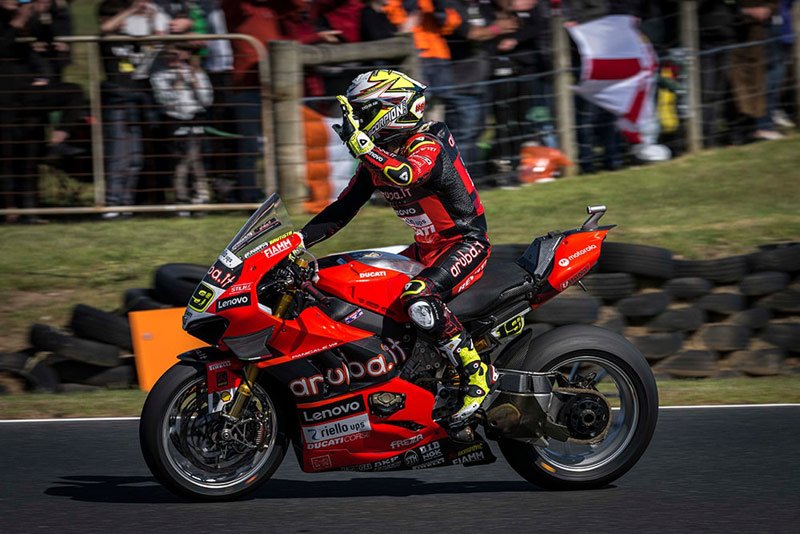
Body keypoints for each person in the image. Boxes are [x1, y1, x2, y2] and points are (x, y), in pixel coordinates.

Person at [301, 69, 494, 427]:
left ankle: (477, 375)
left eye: (361, 112)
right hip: (423, 249)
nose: (353, 122)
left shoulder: (428, 142)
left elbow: (407, 174)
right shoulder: (381, 156)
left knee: (419, 296)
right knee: (357, 282)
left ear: (390, 110)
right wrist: (294, 242)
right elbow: (343, 209)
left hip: (465, 243)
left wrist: (366, 148)